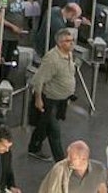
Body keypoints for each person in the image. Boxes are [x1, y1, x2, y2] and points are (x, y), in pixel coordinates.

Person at [29, 28, 77, 161]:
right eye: (68, 41)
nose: (71, 43)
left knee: (44, 127)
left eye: (72, 40)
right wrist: (38, 99)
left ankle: (34, 147)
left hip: (62, 99)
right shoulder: (52, 59)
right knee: (54, 131)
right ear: (60, 43)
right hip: (49, 99)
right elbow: (39, 80)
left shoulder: (69, 54)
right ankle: (61, 162)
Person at [37, 140, 108, 193]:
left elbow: (102, 188)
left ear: (83, 159)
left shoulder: (99, 169)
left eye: (72, 158)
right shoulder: (60, 170)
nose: (68, 159)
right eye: (68, 156)